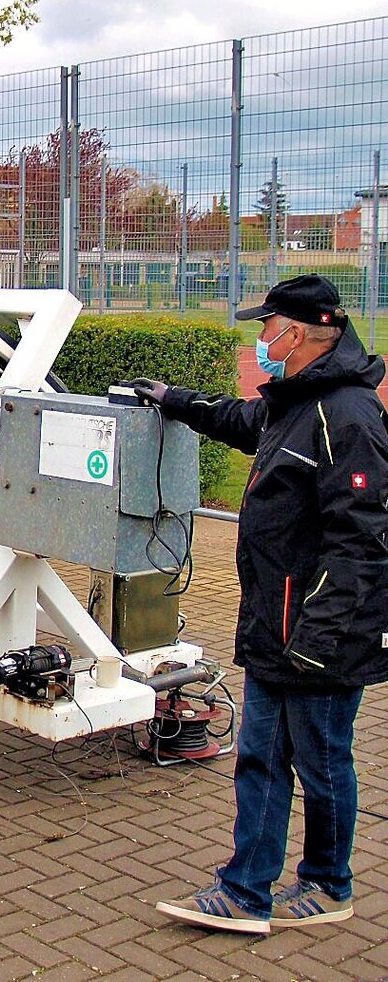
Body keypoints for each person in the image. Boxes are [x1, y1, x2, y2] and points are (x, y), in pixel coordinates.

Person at [133, 274, 388, 935]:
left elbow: (360, 542)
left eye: (267, 327)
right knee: (261, 758)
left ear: (298, 333)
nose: (262, 339)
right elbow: (240, 420)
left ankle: (330, 883)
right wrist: (172, 399)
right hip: (276, 628)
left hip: (319, 637)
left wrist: (317, 637)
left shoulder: (348, 416)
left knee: (323, 761)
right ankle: (245, 890)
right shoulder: (296, 401)